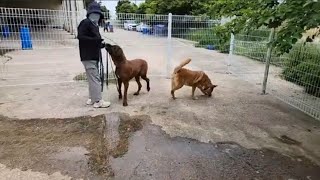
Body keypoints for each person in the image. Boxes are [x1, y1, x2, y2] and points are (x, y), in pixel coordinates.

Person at [77, 1, 110, 108]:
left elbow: (95, 40)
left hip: (93, 56)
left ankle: (92, 98)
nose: (96, 15)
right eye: (93, 13)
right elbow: (81, 37)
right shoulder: (85, 23)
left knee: (92, 78)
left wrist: (100, 44)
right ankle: (98, 101)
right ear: (89, 13)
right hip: (88, 56)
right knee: (95, 78)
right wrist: (95, 40)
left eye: (97, 14)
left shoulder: (94, 25)